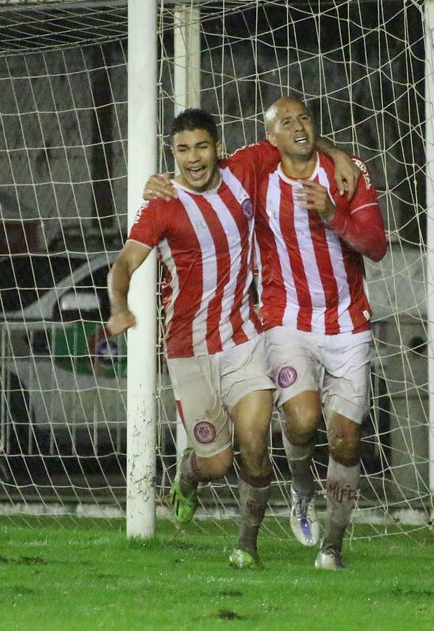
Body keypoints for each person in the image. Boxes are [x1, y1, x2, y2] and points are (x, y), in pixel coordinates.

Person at [145, 96, 387, 570]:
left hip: (348, 323)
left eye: (305, 120)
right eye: (286, 123)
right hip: (285, 319)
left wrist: (332, 209)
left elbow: (375, 245)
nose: (298, 128)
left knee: (345, 439)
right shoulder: (257, 173)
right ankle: (300, 490)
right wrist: (162, 182)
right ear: (269, 139)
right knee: (301, 420)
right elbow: (202, 172)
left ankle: (332, 547)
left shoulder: (348, 169)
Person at [107, 108, 278, 569]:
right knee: (217, 464)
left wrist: (339, 159)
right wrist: (120, 306)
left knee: (255, 441)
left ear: (218, 148)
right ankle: (187, 474)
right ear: (173, 154)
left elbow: (293, 136)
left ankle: (247, 545)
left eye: (201, 146)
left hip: (244, 339)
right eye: (183, 149)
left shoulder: (244, 169)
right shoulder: (161, 203)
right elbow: (122, 264)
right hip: (189, 349)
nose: (193, 158)